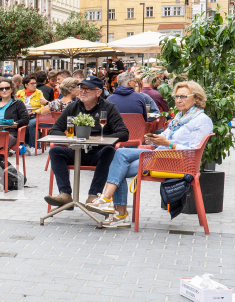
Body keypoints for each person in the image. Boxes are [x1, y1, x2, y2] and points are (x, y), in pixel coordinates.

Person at [87, 81, 213, 227]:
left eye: (183, 96)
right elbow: (165, 136)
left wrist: (168, 144)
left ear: (196, 98)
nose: (178, 100)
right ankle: (109, 201)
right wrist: (153, 140)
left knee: (117, 167)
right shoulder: (179, 118)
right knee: (120, 154)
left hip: (177, 162)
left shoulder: (202, 120)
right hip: (161, 154)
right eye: (177, 96)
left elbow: (193, 151)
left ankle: (115, 209)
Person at [44, 76, 129, 208]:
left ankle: (94, 195)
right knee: (55, 151)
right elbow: (54, 130)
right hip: (76, 150)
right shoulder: (73, 107)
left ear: (98, 92)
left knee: (109, 151)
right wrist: (70, 140)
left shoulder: (108, 108)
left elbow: (124, 133)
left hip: (98, 153)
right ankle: (65, 194)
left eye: (88, 89)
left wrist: (102, 139)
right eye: (81, 88)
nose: (83, 91)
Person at [26, 77, 80, 149]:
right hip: (72, 133)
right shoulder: (75, 105)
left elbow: (43, 111)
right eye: (77, 87)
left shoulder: (55, 103)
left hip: (57, 130)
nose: (79, 89)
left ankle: (33, 147)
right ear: (70, 90)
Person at [0, 78, 29, 150]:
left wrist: (10, 124)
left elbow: (25, 120)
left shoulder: (18, 104)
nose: (4, 90)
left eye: (7, 88)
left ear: (12, 90)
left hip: (9, 133)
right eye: (1, 89)